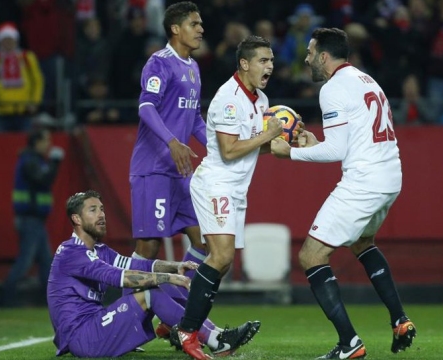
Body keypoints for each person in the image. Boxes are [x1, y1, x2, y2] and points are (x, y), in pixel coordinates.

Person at [270, 27, 416, 359]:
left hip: (364, 181)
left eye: (309, 53)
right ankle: (399, 320)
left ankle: (349, 343)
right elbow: (348, 142)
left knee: (311, 256)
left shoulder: (333, 88)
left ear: (323, 56)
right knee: (363, 242)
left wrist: (288, 152)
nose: (306, 59)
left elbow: (336, 151)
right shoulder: (366, 80)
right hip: (390, 177)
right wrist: (314, 144)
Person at [129, 2, 259, 355]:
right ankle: (131, 322)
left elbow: (196, 118)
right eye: (194, 24)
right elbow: (146, 107)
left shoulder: (193, 69)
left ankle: (174, 312)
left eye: (201, 24)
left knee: (205, 240)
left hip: (182, 172)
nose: (201, 29)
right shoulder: (159, 63)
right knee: (149, 247)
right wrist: (173, 141)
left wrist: (215, 148)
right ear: (175, 29)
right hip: (153, 169)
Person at [174, 35, 284, 360]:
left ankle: (190, 324)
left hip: (236, 190)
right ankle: (187, 330)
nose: (270, 67)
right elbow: (229, 149)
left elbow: (254, 147)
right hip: (215, 184)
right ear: (245, 64)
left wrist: (288, 142)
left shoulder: (260, 100)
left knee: (221, 264)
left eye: (272, 61)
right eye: (264, 61)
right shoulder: (228, 97)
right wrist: (269, 134)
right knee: (220, 257)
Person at [47, 190, 197, 357]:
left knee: (156, 286)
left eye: (102, 209)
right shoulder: (71, 252)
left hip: (94, 326)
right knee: (150, 293)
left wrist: (175, 266)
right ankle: (211, 337)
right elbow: (120, 277)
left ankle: (200, 331)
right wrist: (170, 278)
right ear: (76, 219)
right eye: (93, 210)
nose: (101, 215)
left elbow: (138, 265)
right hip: (83, 337)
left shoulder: (100, 250)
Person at [0, 128, 63, 307]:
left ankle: (51, 301)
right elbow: (43, 180)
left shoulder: (33, 160)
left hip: (35, 220)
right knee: (25, 261)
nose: (49, 144)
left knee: (45, 261)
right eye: (46, 140)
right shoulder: (29, 161)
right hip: (29, 219)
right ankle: (5, 299)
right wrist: (55, 162)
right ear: (37, 142)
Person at [0, 22, 44, 132]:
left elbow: (38, 81)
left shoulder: (27, 57)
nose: (8, 44)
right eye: (5, 41)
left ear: (16, 40)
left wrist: (34, 102)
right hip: (1, 111)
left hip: (23, 111)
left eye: (10, 40)